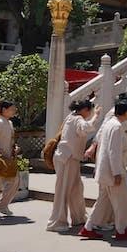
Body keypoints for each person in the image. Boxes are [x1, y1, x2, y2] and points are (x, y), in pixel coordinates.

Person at [79, 99, 127, 241]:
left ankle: (88, 228)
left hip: (106, 170)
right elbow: (114, 152)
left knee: (103, 202)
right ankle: (121, 230)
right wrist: (117, 173)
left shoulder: (111, 124)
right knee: (122, 201)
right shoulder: (117, 127)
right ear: (126, 113)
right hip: (113, 171)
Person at [47, 99, 101, 232]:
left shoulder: (70, 117)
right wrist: (97, 116)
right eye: (89, 111)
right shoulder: (77, 119)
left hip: (68, 158)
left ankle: (79, 217)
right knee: (64, 191)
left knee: (76, 189)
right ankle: (57, 222)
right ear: (84, 110)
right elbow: (86, 128)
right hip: (67, 159)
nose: (90, 113)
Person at [0, 101, 20, 216]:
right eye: (12, 109)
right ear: (4, 110)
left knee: (15, 181)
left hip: (9, 158)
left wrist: (14, 147)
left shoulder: (9, 123)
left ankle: (2, 205)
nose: (14, 111)